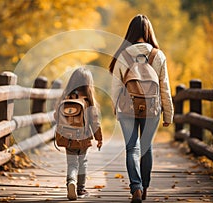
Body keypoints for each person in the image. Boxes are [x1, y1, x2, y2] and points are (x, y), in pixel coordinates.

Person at [109, 14, 174, 203]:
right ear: (149, 32)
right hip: (152, 108)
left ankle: (135, 187)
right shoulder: (158, 55)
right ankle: (145, 188)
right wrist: (168, 114)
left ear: (131, 31)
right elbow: (165, 87)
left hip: (127, 108)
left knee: (131, 149)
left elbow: (115, 88)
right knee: (146, 148)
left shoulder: (123, 55)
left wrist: (116, 109)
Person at [54, 67, 103, 201]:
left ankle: (71, 182)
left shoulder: (65, 97)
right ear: (88, 83)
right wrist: (99, 138)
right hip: (83, 138)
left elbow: (55, 116)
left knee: (71, 163)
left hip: (67, 138)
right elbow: (95, 122)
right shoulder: (88, 100)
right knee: (83, 162)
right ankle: (81, 189)